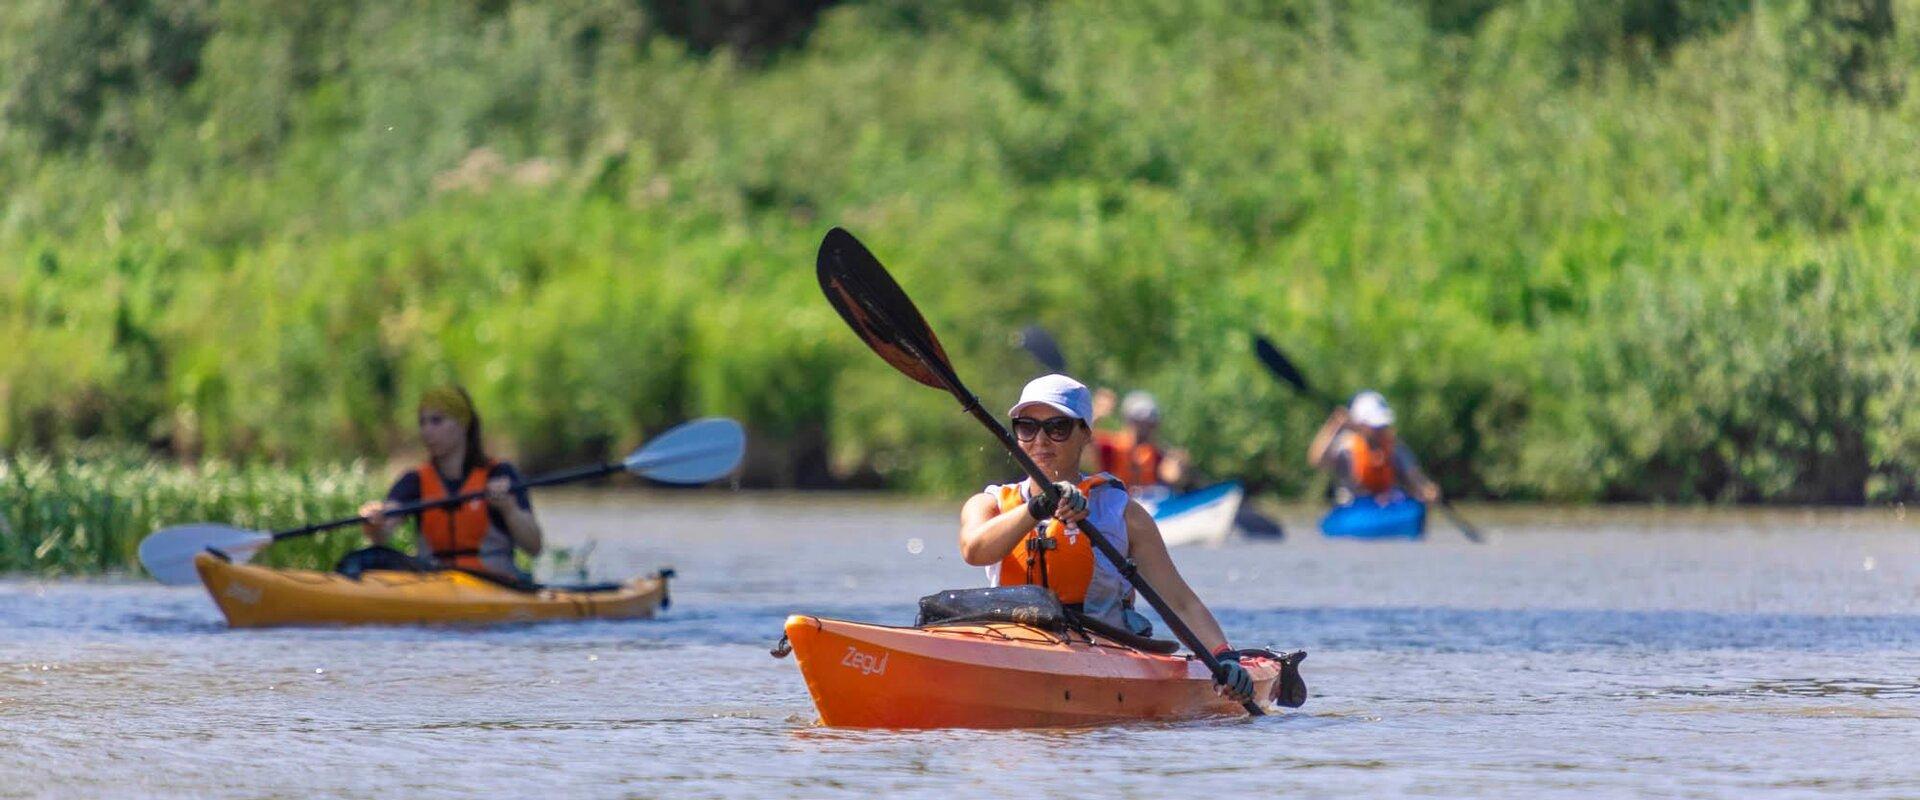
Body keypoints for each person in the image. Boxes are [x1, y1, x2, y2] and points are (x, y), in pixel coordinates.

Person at [958, 374, 1256, 703]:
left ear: (1085, 434)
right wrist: (1039, 507)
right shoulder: (989, 504)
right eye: (1027, 427)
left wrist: (1224, 656)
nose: (1040, 441)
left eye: (1057, 428)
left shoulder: (1124, 515)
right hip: (1012, 644)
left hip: (1102, 651)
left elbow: (1179, 601)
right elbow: (974, 550)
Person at [355, 385, 544, 584]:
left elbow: (535, 547)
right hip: (436, 586)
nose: (426, 431)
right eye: (422, 422)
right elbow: (383, 531)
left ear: (463, 424)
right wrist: (374, 520)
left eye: (437, 421)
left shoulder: (500, 474)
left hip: (496, 586)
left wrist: (510, 509)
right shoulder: (414, 481)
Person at [1306, 390, 1441, 505]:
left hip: (1384, 508)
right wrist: (1334, 425)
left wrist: (1428, 490)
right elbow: (1316, 461)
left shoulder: (1395, 448)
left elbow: (1415, 478)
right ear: (1359, 424)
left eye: (1382, 426)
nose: (1380, 430)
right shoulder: (1345, 446)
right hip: (1353, 509)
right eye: (1375, 426)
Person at [1090, 388, 1189, 495]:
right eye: (1139, 422)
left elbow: (1172, 477)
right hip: (1112, 506)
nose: (1145, 429)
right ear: (1128, 421)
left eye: (1150, 424)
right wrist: (1096, 415)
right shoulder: (1110, 447)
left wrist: (1179, 469)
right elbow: (1083, 441)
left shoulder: (1157, 455)